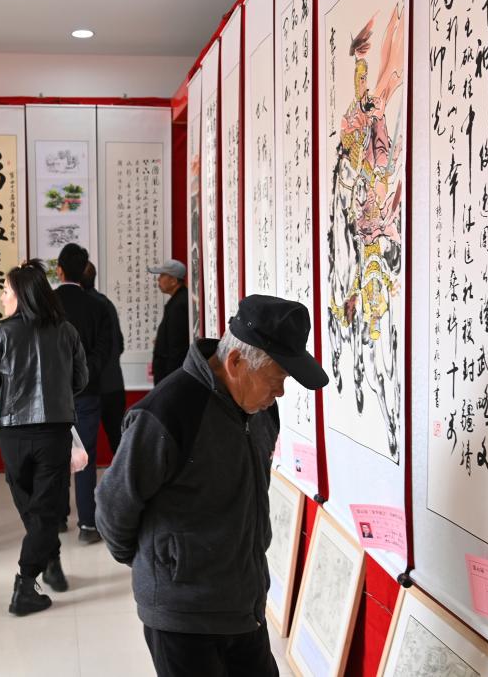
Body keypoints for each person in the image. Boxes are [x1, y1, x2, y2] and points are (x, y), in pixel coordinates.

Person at [96, 295, 329, 677]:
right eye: (277, 379)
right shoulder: (167, 412)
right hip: (183, 615)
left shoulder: (261, 411)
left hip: (243, 603)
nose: (280, 393)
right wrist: (164, 567)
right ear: (236, 362)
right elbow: (113, 505)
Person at [0, 260, 89, 616]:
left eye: (6, 291)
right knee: (43, 508)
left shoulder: (0, 334)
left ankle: (25, 582)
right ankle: (50, 561)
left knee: (32, 505)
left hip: (12, 432)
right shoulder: (66, 331)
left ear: (22, 295)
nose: (1, 297)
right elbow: (81, 381)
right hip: (53, 432)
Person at [53, 244, 111, 544]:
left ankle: (58, 516)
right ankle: (88, 524)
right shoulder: (97, 306)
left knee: (55, 454)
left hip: (52, 394)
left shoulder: (48, 305)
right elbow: (105, 349)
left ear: (59, 270)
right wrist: (86, 372)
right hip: (87, 392)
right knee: (85, 455)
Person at [80, 262, 125, 455]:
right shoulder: (106, 303)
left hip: (89, 387)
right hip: (113, 383)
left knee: (83, 446)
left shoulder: (81, 307)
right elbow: (119, 344)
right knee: (119, 442)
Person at [148, 259, 189, 385]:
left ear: (173, 280)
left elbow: (176, 346)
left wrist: (170, 381)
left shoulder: (179, 305)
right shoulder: (179, 300)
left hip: (170, 375)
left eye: (162, 275)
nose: (158, 279)